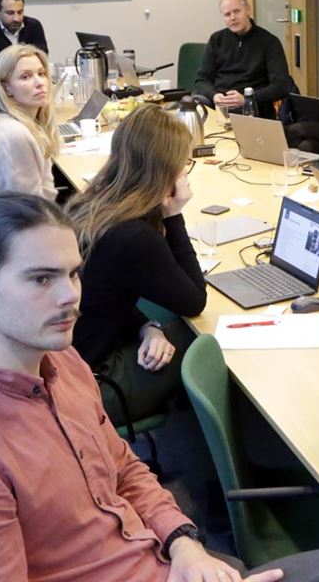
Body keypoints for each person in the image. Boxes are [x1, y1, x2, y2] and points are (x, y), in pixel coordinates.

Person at [0, 193, 319, 582]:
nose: (69, 297)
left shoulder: (62, 363)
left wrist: (184, 543)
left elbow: (125, 471)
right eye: (41, 279)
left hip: (159, 559)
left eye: (73, 274)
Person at [66, 105, 205, 422]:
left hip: (68, 363)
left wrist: (148, 327)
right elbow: (195, 300)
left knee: (167, 326)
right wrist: (175, 216)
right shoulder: (135, 236)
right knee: (203, 343)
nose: (184, 172)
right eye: (183, 165)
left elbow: (107, 291)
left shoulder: (96, 202)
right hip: (90, 385)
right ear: (165, 171)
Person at [0, 44, 58, 212]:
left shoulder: (26, 124)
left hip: (5, 218)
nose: (40, 83)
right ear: (6, 88)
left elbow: (44, 192)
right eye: (26, 77)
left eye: (41, 74)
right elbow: (31, 207)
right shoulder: (12, 132)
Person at [194, 0, 293, 118]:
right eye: (227, 14)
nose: (232, 18)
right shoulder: (216, 39)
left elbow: (282, 86)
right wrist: (214, 95)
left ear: (248, 10)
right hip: (219, 105)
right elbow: (202, 80)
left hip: (253, 107)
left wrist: (247, 98)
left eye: (237, 11)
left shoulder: (269, 42)